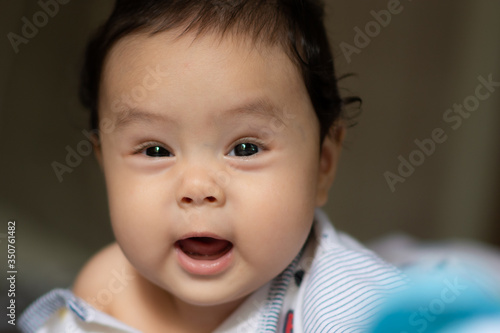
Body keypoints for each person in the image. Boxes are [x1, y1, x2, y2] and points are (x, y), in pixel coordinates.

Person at [19, 1, 407, 332]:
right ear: (105, 164)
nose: (198, 186)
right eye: (155, 151)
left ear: (323, 165)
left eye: (245, 148)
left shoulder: (348, 304)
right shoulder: (107, 291)